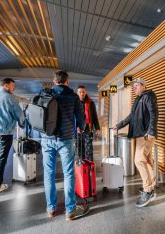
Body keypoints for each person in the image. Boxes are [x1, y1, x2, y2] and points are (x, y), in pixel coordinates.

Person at [41, 70, 89, 220]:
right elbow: (81, 118)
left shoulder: (45, 94)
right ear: (67, 82)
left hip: (47, 138)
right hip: (66, 138)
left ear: (54, 82)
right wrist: (80, 127)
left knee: (49, 174)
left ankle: (51, 208)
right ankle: (70, 210)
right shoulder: (73, 96)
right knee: (68, 173)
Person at [113, 78, 158, 207]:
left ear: (144, 86)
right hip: (140, 134)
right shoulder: (139, 98)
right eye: (134, 86)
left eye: (137, 86)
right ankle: (151, 186)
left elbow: (154, 113)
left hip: (146, 135)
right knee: (147, 160)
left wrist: (151, 132)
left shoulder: (148, 96)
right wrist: (119, 125)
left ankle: (148, 190)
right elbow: (131, 116)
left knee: (138, 160)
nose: (135, 88)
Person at [77, 85, 100, 161]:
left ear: (85, 92)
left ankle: (90, 168)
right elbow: (73, 117)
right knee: (80, 150)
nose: (82, 93)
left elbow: (94, 116)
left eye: (83, 92)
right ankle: (82, 168)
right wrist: (75, 127)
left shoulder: (90, 103)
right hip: (78, 130)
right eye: (80, 92)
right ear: (77, 93)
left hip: (88, 129)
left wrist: (97, 128)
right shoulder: (75, 103)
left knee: (89, 150)